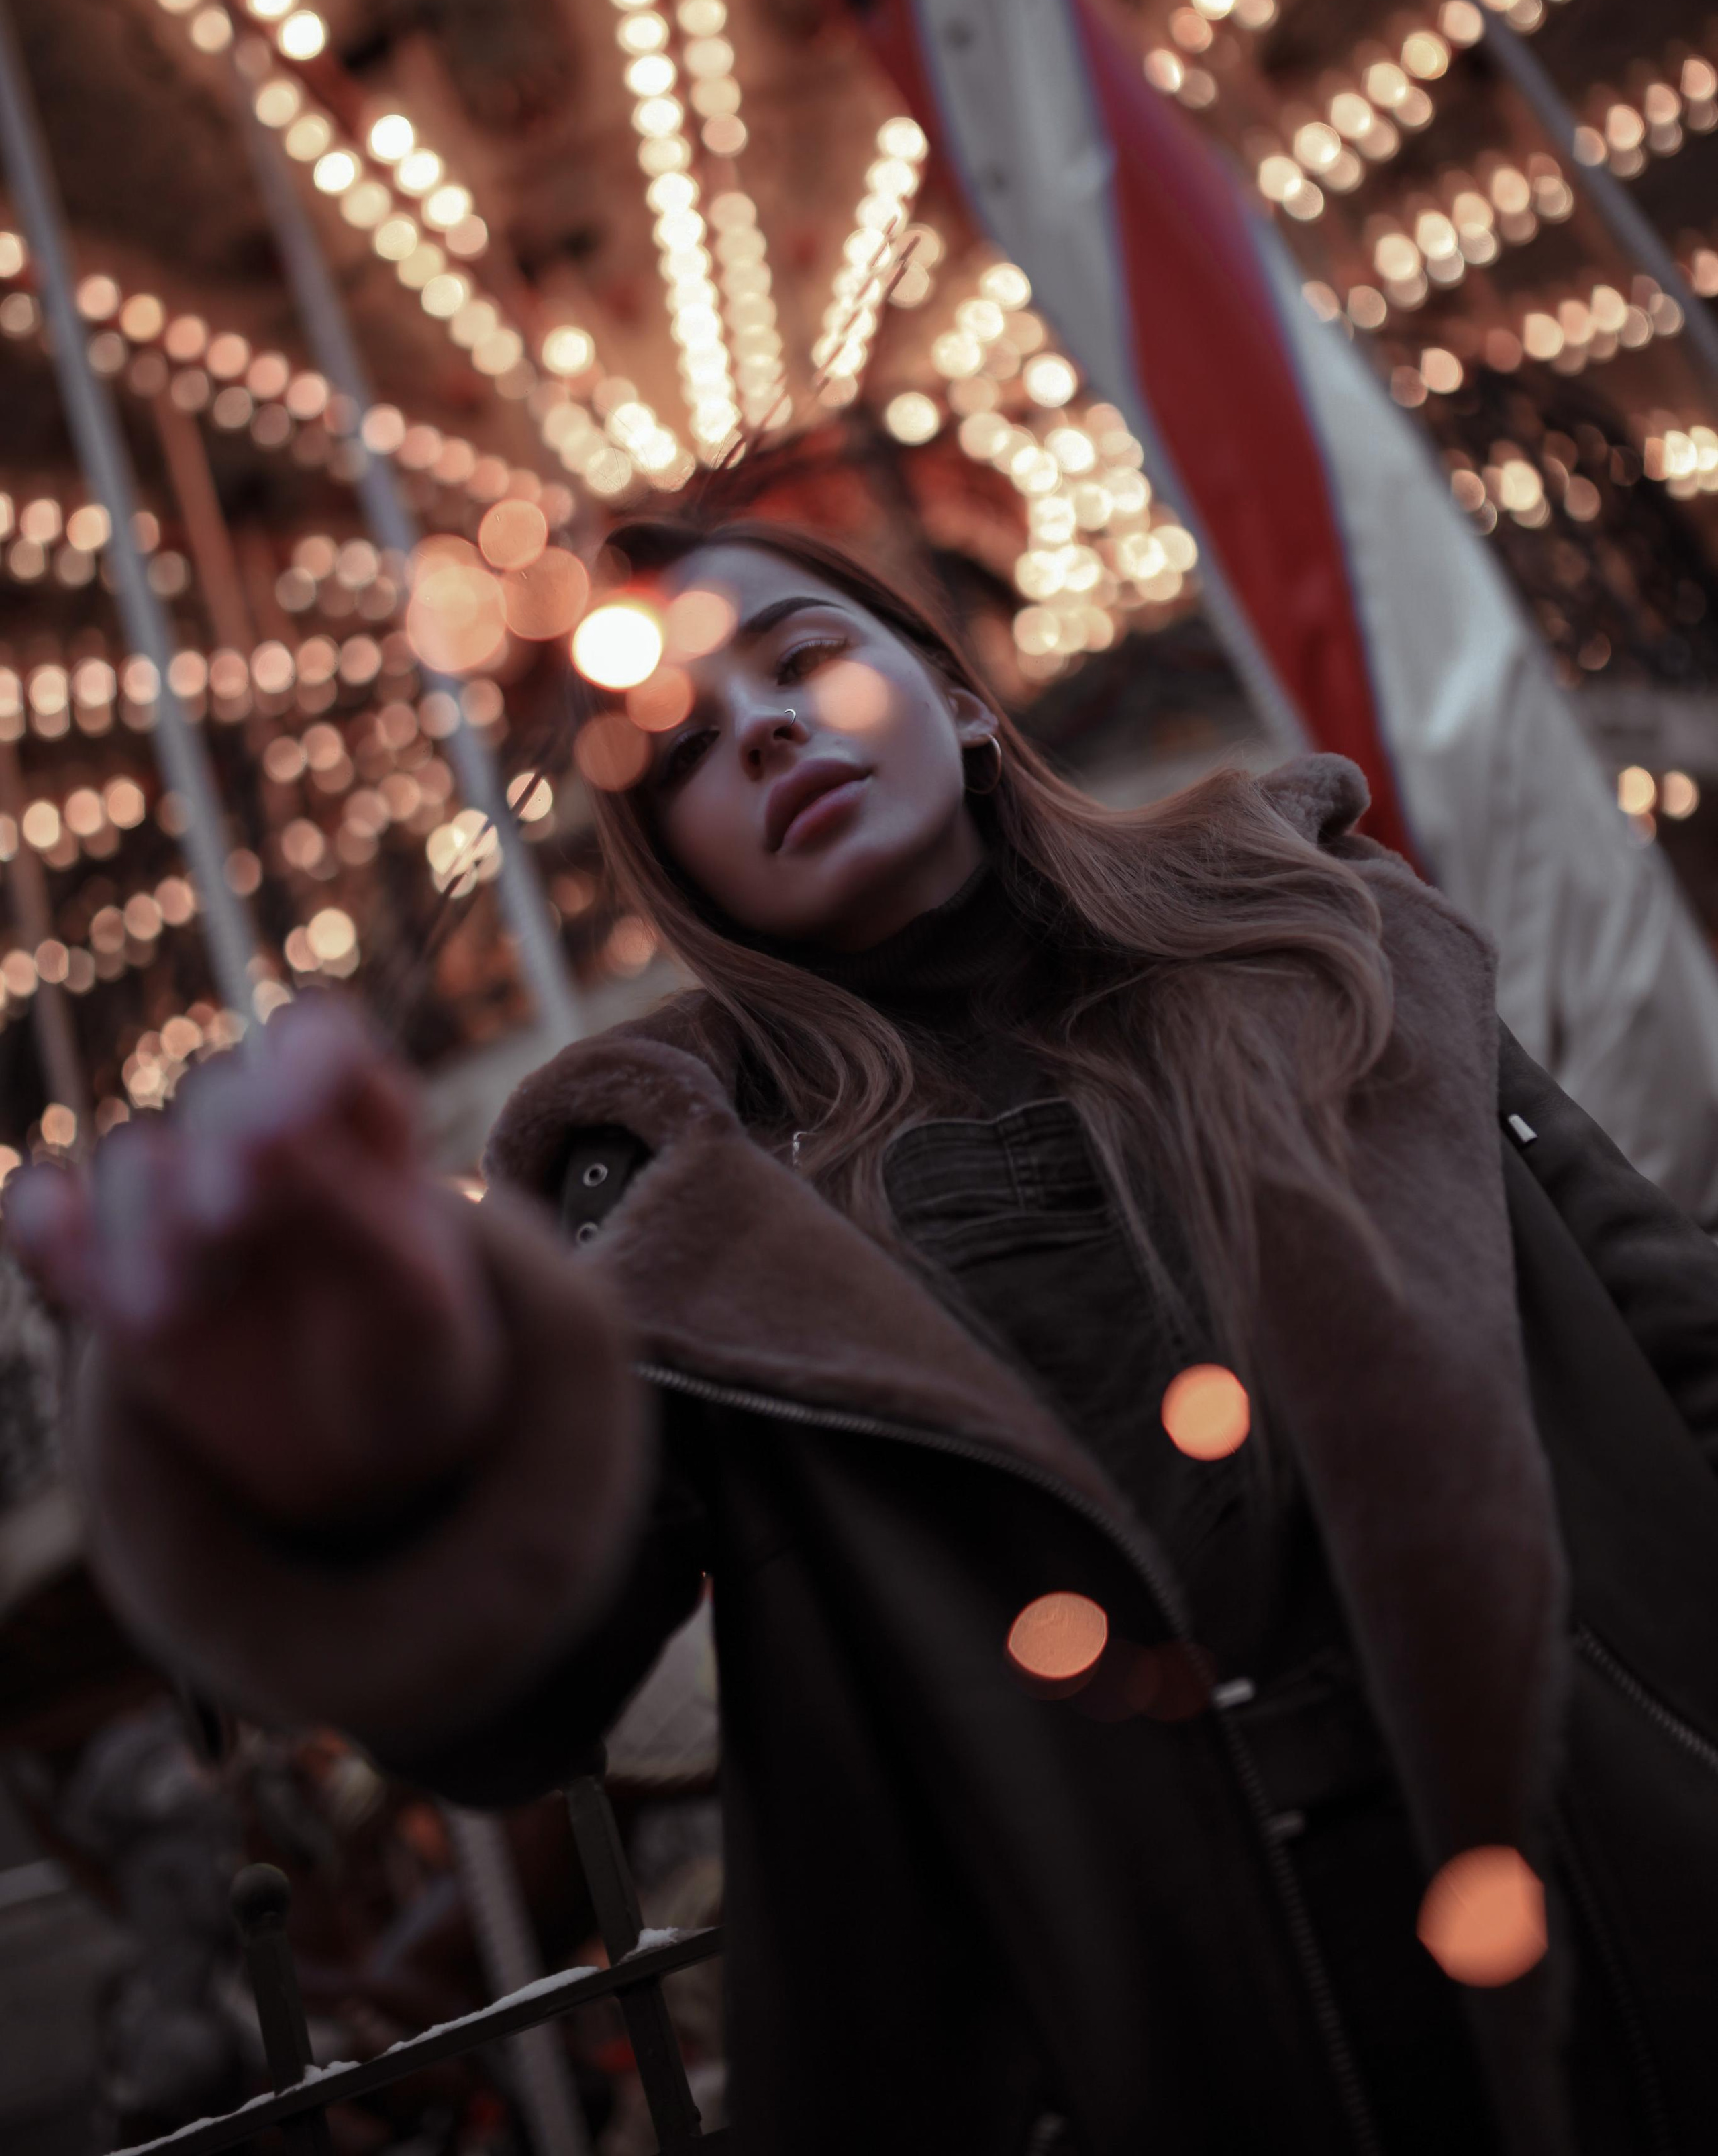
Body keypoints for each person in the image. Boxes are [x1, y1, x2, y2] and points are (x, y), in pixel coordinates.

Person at [15, 516, 1718, 2156]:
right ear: (670, 854)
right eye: (675, 749)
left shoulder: (1325, 938)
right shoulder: (671, 1192)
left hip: (1622, 1906)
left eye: (803, 662)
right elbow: (516, 1707)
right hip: (1132, 2041)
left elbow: (1669, 1337)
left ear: (962, 698)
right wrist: (383, 1457)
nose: (752, 731)